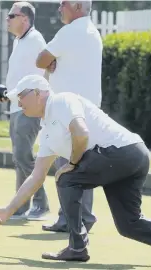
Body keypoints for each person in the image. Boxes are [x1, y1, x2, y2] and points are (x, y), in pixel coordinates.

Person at [0, 74, 151, 267]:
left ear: (38, 93)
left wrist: (72, 164)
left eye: (21, 97)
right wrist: (9, 209)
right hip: (130, 157)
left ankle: (77, 247)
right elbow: (36, 176)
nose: (18, 103)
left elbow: (81, 133)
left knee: (66, 178)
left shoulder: (62, 100)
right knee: (128, 224)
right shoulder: (47, 133)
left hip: (123, 153)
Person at [35, 0, 102, 233]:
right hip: (86, 110)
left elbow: (40, 59)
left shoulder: (71, 30)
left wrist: (52, 61)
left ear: (76, 5)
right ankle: (79, 217)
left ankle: (73, 219)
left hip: (70, 112)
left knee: (70, 167)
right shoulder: (92, 32)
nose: (59, 8)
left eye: (63, 3)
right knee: (79, 166)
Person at [0, 1, 50, 220]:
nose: (7, 19)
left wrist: (39, 98)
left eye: (11, 15)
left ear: (24, 19)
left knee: (23, 155)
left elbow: (48, 67)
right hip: (16, 105)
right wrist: (8, 93)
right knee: (19, 157)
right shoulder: (20, 41)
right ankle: (21, 205)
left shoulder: (36, 39)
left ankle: (40, 204)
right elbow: (22, 74)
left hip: (30, 108)